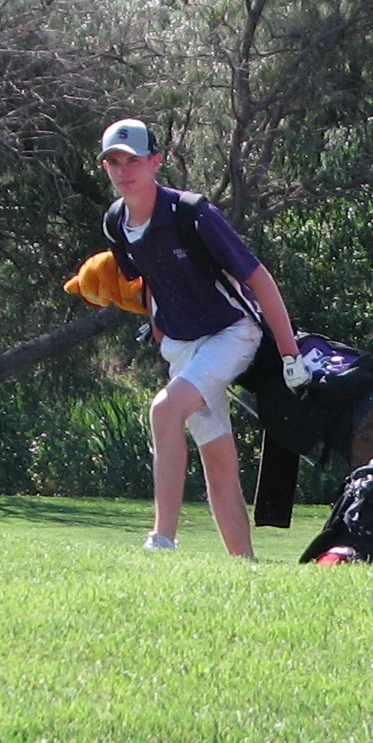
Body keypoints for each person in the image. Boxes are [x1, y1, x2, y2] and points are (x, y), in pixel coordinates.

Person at [96, 118, 309, 557]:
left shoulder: (193, 212)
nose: (123, 170)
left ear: (155, 162)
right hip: (183, 346)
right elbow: (148, 281)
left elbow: (259, 279)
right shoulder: (117, 223)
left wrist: (291, 356)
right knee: (218, 460)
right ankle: (244, 566)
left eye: (133, 160)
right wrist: (159, 328)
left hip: (233, 333)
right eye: (113, 161)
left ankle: (163, 539)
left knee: (164, 410)